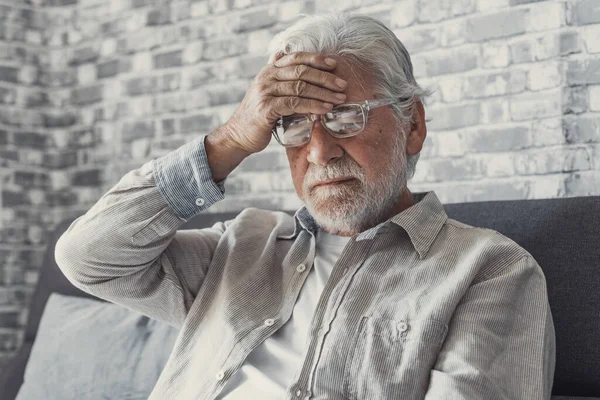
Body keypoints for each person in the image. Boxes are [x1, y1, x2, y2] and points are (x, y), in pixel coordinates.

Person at [55, 12, 555, 400]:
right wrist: (229, 139)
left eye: (344, 116)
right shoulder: (241, 246)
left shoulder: (490, 271)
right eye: (291, 123)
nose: (318, 151)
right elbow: (88, 257)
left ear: (413, 124)